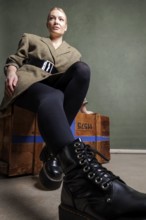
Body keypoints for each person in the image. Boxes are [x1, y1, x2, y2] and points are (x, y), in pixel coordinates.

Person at [1, 7, 146, 220]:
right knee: (53, 98)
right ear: (47, 23)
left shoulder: (73, 52)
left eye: (60, 19)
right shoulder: (31, 39)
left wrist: (83, 107)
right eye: (52, 18)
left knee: (82, 69)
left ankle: (54, 155)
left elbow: (73, 81)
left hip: (54, 87)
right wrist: (11, 72)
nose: (56, 21)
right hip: (28, 82)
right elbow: (15, 59)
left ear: (66, 26)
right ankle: (80, 179)